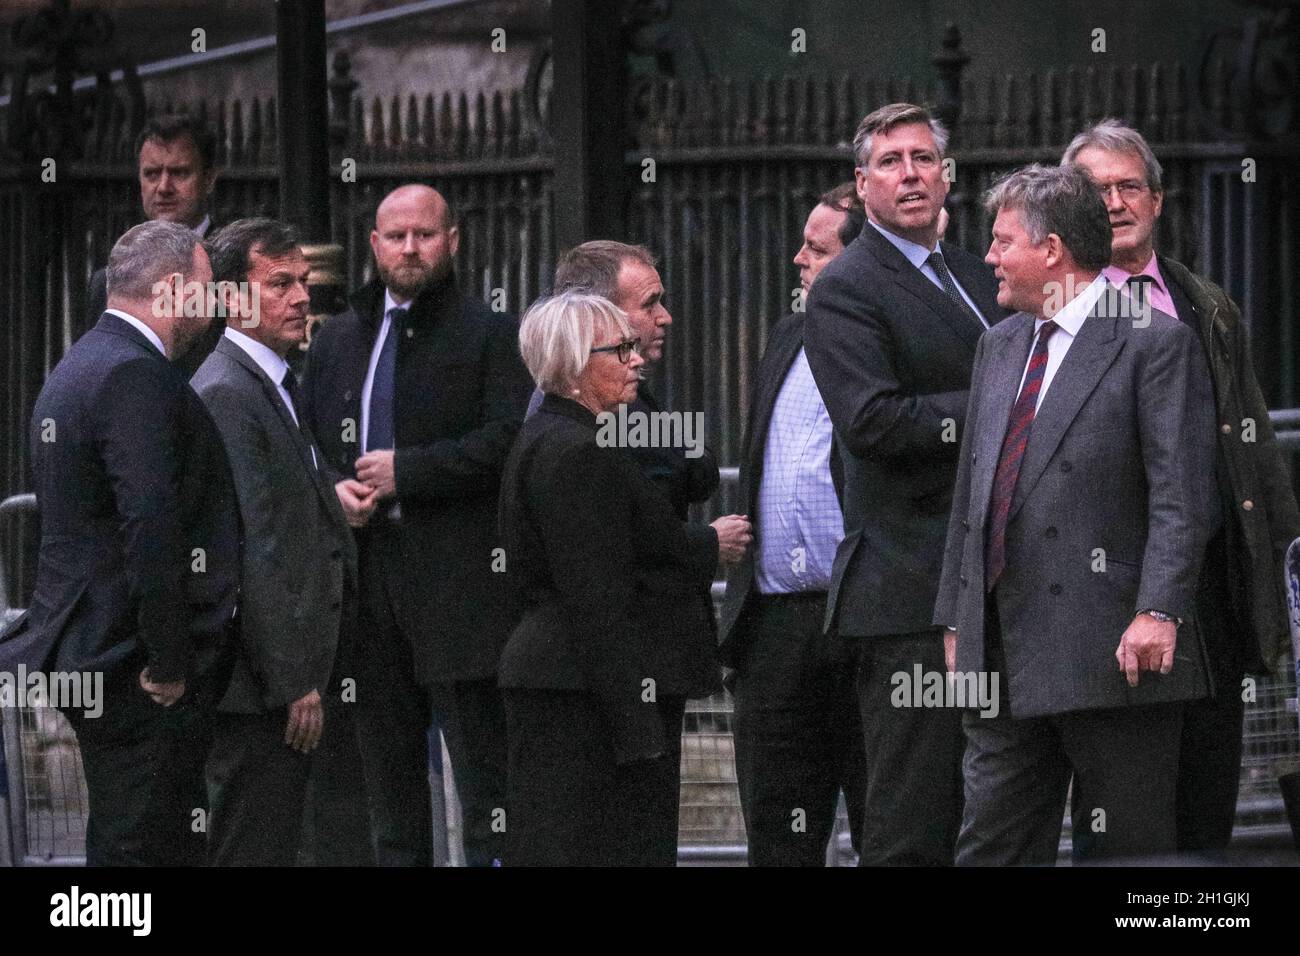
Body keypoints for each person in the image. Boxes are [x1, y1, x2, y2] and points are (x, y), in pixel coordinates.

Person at [934, 163, 1218, 864]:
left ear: (1052, 249)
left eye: (1002, 242)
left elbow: (1182, 493)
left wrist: (1159, 608)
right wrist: (956, 616)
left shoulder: (1154, 341)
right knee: (991, 848)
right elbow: (974, 495)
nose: (990, 258)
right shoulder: (999, 345)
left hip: (1116, 652)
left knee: (1127, 854)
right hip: (1003, 650)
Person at [1063, 120, 1300, 855]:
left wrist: (1281, 579)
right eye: (1094, 190)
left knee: (1206, 811)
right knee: (1124, 817)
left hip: (1212, 599)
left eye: (1128, 185)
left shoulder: (1208, 305)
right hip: (1109, 598)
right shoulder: (1055, 313)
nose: (1113, 203)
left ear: (1157, 199)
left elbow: (1255, 447)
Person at [300, 183, 532, 866]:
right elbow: (304, 445)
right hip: (367, 586)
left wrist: (413, 473)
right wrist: (332, 490)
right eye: (395, 235)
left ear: (452, 242)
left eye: (424, 234)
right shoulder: (339, 339)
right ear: (373, 245)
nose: (409, 247)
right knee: (389, 791)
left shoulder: (491, 334)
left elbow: (511, 440)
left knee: (486, 783)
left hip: (461, 589)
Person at [803, 103, 1004, 865]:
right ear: (862, 185)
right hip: (909, 594)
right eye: (890, 162)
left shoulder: (979, 272)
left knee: (996, 814)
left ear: (946, 174)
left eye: (924, 158)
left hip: (993, 584)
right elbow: (873, 423)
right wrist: (1003, 407)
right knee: (914, 823)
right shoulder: (848, 288)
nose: (911, 173)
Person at [17, 220, 240, 865]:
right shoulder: (132, 374)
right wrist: (169, 658)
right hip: (132, 667)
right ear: (172, 289)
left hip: (98, 652)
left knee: (136, 840)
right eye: (203, 291)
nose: (213, 307)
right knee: (138, 849)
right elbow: (150, 524)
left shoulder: (81, 363)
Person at [499, 292, 722, 865]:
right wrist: (635, 725)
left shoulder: (561, 435)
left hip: (565, 685)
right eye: (619, 349)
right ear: (575, 363)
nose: (636, 359)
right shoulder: (576, 449)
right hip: (579, 699)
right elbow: (595, 599)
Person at [190, 219, 358, 866]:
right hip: (263, 691)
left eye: (304, 283)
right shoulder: (230, 390)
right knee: (252, 848)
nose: (300, 298)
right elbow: (256, 547)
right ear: (233, 298)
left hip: (283, 683)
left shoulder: (272, 381)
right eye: (279, 284)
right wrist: (293, 682)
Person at [718, 183, 866, 866]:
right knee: (779, 834)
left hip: (862, 615)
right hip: (776, 622)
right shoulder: (787, 332)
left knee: (887, 826)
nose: (797, 259)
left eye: (817, 247)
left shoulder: (887, 341)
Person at [527, 240, 750, 566]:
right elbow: (690, 476)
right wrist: (709, 540)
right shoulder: (597, 408)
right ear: (602, 314)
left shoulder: (604, 396)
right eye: (650, 305)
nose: (665, 318)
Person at [83, 115, 222, 378]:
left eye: (179, 172)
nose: (163, 187)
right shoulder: (105, 281)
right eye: (151, 174)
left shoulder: (236, 268)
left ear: (210, 179)